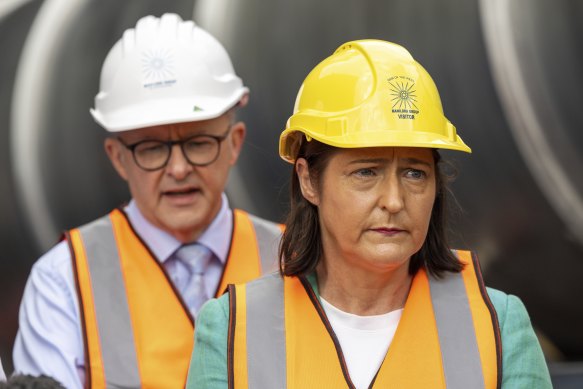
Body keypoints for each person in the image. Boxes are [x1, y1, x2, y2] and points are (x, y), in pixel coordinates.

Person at [186, 40, 552, 388]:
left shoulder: (498, 326)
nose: (394, 200)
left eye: (414, 173)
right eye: (366, 172)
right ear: (309, 181)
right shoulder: (232, 330)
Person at [13, 13, 282, 389]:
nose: (177, 168)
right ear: (117, 157)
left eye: (197, 143)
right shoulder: (63, 279)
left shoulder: (296, 258)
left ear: (235, 142)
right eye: (152, 149)